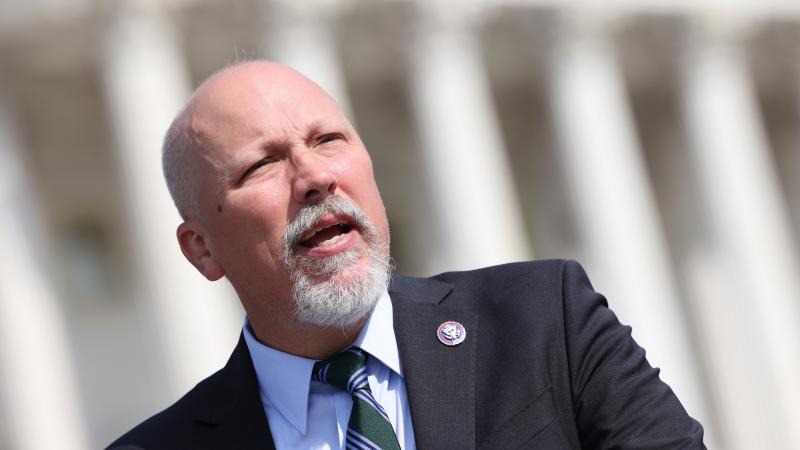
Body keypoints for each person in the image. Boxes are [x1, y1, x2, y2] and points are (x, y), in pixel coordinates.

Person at [107, 61, 704, 449]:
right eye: (262, 165)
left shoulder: (547, 320)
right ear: (203, 249)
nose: (313, 176)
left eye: (328, 140)